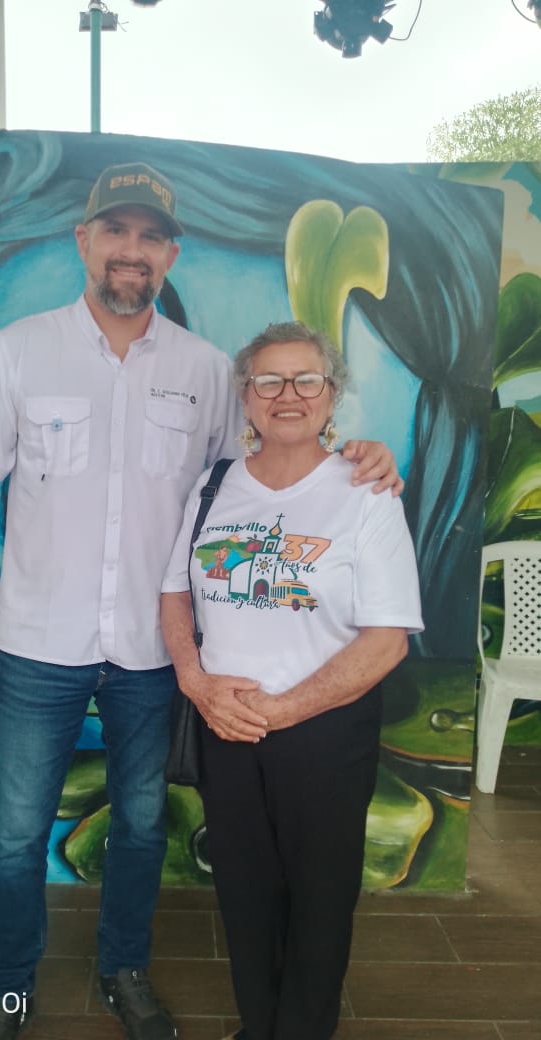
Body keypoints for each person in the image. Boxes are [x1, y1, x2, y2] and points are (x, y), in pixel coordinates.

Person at [0, 165, 401, 1040]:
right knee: (17, 833)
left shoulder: (209, 371)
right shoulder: (20, 351)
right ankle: (6, 986)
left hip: (157, 655)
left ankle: (124, 971)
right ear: (84, 241)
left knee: (143, 826)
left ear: (171, 253)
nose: (131, 249)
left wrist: (357, 458)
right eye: (115, 230)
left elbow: (266, 467)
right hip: (37, 643)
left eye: (150, 236)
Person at [161, 321, 424, 1040]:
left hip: (324, 734)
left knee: (320, 900)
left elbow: (387, 640)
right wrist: (196, 682)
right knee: (244, 895)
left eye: (307, 380)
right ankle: (259, 1025)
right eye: (269, 380)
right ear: (246, 397)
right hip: (225, 726)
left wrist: (280, 711)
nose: (288, 395)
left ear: (331, 394)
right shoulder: (215, 487)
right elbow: (174, 593)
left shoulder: (365, 492)